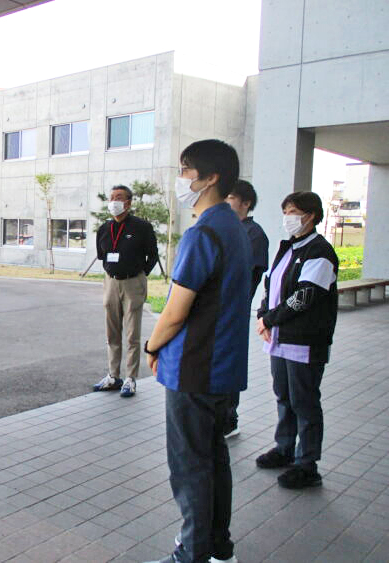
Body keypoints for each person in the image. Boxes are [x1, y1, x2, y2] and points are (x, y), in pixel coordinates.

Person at [144, 140, 251, 563]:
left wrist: (152, 346)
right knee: (213, 459)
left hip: (195, 367)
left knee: (190, 466)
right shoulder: (233, 227)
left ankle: (192, 553)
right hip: (221, 367)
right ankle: (218, 548)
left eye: (186, 170)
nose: (181, 178)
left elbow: (175, 312)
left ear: (211, 178)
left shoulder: (203, 233)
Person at [254, 191, 338, 490]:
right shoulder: (288, 248)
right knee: (284, 396)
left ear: (311, 215)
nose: (287, 218)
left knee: (304, 402)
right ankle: (285, 448)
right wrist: (263, 315)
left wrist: (270, 319)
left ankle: (307, 465)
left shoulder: (320, 251)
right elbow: (271, 287)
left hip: (304, 341)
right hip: (280, 339)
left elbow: (304, 297)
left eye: (293, 212)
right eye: (285, 211)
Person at [93, 184, 158, 397]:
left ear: (128, 203)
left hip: (133, 282)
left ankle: (130, 378)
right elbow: (102, 255)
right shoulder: (104, 229)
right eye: (111, 197)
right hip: (111, 282)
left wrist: (141, 274)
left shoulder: (142, 227)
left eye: (119, 197)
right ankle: (113, 375)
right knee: (112, 332)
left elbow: (153, 255)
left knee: (132, 334)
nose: (114, 201)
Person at [223, 180, 269, 438]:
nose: (225, 202)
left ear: (246, 203)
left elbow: (245, 276)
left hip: (233, 311)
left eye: (230, 197)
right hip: (217, 311)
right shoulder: (227, 229)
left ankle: (229, 418)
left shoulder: (253, 234)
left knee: (229, 362)